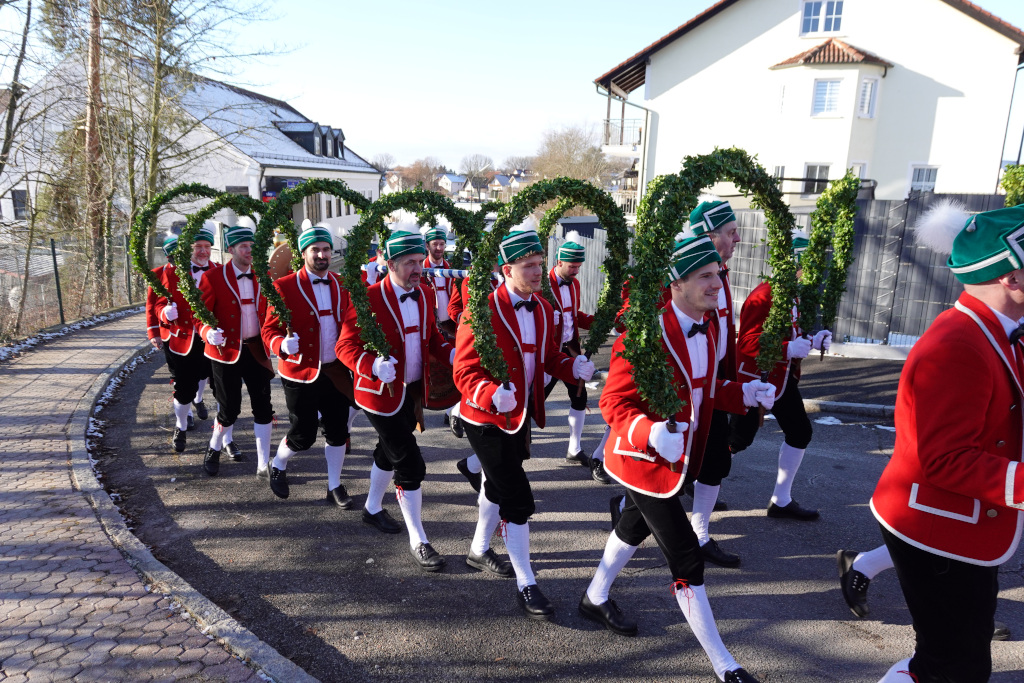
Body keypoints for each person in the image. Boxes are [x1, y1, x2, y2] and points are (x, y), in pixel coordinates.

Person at [582, 234, 773, 683]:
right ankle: (725, 664)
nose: (717, 284)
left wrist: (743, 393)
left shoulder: (709, 327)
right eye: (705, 276)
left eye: (717, 275)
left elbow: (704, 389)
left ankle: (594, 597)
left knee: (632, 528)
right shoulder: (646, 334)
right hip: (643, 462)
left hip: (678, 460)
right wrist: (648, 431)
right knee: (687, 560)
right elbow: (612, 401)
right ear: (677, 284)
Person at [871, 201, 1024, 683]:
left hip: (964, 522)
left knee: (953, 662)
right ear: (1012, 279)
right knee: (954, 666)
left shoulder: (996, 329)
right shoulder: (959, 342)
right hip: (937, 528)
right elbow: (947, 459)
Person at [453, 223, 595, 619]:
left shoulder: (545, 309)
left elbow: (548, 358)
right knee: (518, 500)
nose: (537, 272)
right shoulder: (481, 311)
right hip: (485, 418)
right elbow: (463, 371)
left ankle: (478, 550)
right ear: (506, 269)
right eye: (528, 266)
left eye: (539, 263)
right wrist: (489, 392)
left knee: (496, 485)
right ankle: (526, 582)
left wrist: (571, 367)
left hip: (520, 417)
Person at [337, 226, 455, 573]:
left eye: (420, 261)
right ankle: (418, 539)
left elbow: (431, 337)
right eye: (409, 263)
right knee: (410, 464)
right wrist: (371, 365)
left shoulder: (425, 294)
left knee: (386, 452)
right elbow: (344, 346)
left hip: (412, 390)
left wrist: (451, 353)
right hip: (378, 394)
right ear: (390, 264)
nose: (419, 268)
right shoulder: (369, 298)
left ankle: (372, 509)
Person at [729, 233, 831, 520]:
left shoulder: (791, 294)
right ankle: (693, 481)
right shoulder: (763, 295)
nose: (810, 272)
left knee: (800, 432)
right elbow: (747, 342)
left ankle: (781, 500)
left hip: (782, 381)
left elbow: (791, 334)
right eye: (806, 265)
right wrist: (787, 348)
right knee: (737, 440)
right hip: (756, 381)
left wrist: (812, 340)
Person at [261, 223, 353, 507]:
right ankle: (278, 464)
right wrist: (281, 345)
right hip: (300, 372)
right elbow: (268, 330)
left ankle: (334, 485)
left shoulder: (342, 284)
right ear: (303, 253)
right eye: (315, 250)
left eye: (326, 249)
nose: (322, 255)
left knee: (338, 431)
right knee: (303, 434)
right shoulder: (283, 286)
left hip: (336, 370)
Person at [684, 197, 744, 567]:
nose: (737, 238)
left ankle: (700, 534)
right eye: (731, 232)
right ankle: (627, 504)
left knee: (716, 460)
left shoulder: (721, 273)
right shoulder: (686, 274)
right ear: (710, 235)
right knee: (670, 461)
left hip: (714, 379)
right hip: (686, 380)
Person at [197, 221, 274, 477]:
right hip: (225, 352)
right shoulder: (212, 277)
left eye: (252, 245)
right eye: (243, 246)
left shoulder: (264, 275)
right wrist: (207, 332)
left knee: (263, 407)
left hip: (257, 350)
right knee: (229, 409)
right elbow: (199, 316)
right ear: (231, 249)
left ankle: (263, 464)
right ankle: (214, 447)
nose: (249, 250)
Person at [145, 226, 218, 452]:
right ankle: (181, 425)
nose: (203, 251)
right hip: (181, 338)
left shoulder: (219, 271)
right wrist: (162, 317)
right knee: (183, 386)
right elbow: (155, 304)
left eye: (207, 246)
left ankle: (222, 437)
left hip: (211, 338)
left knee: (208, 378)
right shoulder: (169, 273)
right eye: (198, 247)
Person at [542, 231, 608, 483]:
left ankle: (574, 448)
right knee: (533, 401)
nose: (576, 271)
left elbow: (574, 316)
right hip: (549, 353)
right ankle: (513, 449)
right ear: (558, 261)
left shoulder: (575, 284)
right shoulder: (543, 284)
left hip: (571, 351)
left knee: (579, 397)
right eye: (572, 266)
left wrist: (599, 323)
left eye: (579, 266)